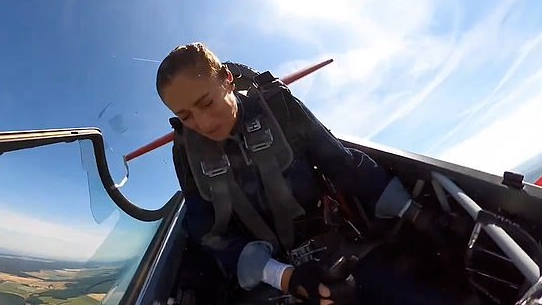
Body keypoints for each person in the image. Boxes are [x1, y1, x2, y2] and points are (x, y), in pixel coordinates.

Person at [155, 43, 432, 304]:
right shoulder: (186, 152)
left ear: (227, 79)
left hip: (337, 251)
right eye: (185, 116)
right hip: (267, 278)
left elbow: (342, 164)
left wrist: (416, 213)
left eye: (206, 103)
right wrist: (286, 278)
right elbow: (206, 232)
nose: (201, 123)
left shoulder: (278, 108)